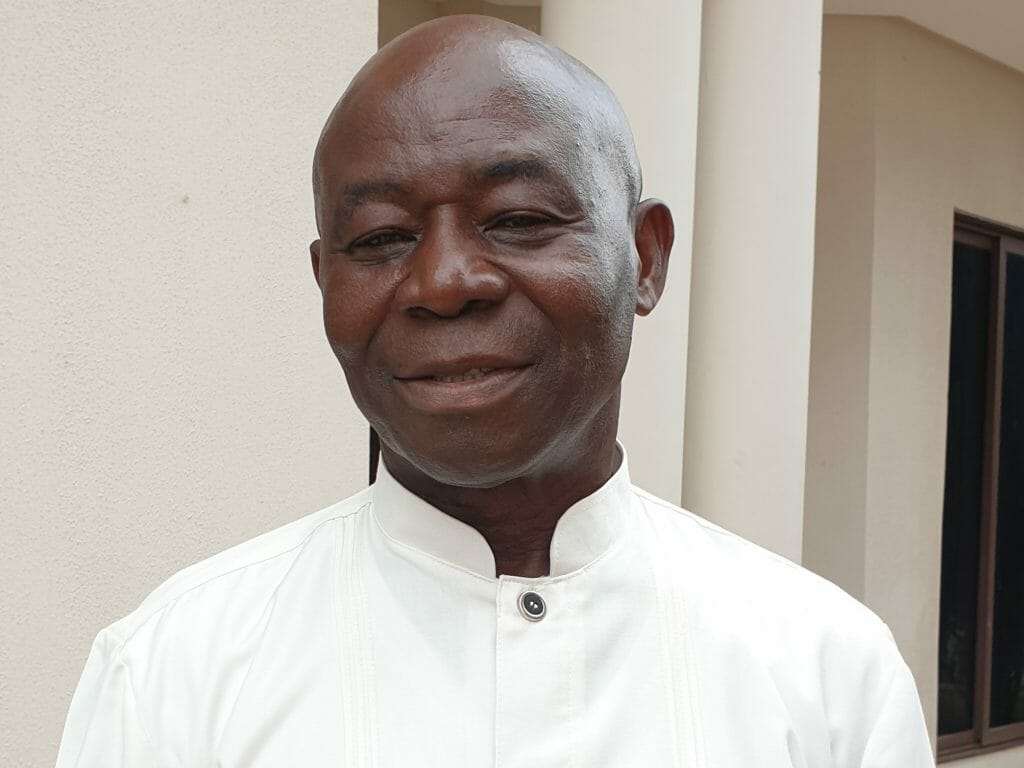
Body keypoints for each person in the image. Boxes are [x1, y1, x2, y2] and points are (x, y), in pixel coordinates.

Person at [56, 14, 934, 767]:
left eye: (517, 219)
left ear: (645, 259)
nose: (443, 282)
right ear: (325, 281)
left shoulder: (827, 676)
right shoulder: (173, 675)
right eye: (381, 238)